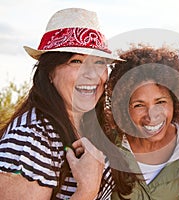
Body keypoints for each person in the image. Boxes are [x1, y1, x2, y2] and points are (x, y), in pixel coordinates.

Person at [0, 8, 132, 200]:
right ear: (49, 73)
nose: (92, 74)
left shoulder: (91, 125)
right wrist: (86, 190)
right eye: (76, 61)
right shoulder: (32, 138)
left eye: (99, 62)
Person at [104, 46, 179, 200]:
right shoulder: (109, 144)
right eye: (139, 105)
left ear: (175, 102)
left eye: (160, 102)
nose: (151, 116)